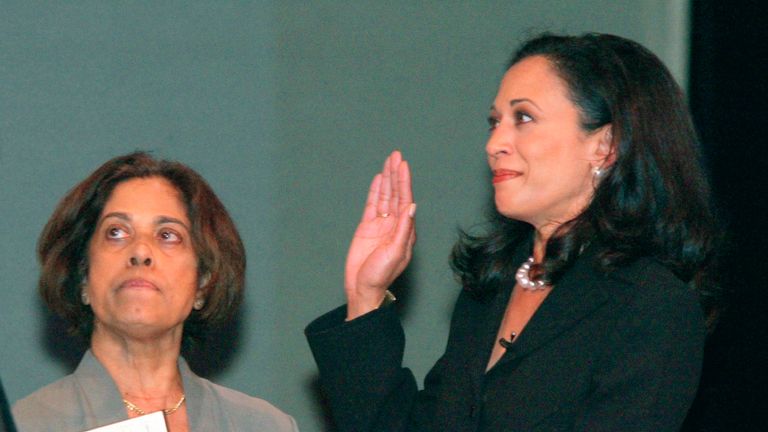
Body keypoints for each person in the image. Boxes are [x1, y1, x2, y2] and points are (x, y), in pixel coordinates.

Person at [305, 33, 717, 431]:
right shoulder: (490, 291)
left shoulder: (650, 305)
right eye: (494, 122)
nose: (495, 142)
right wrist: (366, 295)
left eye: (524, 118)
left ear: (605, 145)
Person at [13, 152, 298, 432]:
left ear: (203, 283)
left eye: (167, 235)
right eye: (116, 232)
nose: (140, 251)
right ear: (83, 277)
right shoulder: (25, 424)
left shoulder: (264, 425)